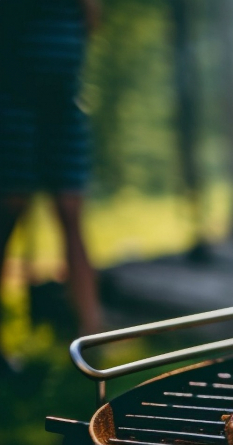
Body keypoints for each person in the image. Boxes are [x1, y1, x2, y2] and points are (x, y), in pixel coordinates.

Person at [0, 0, 102, 376]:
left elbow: (91, 22)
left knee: (72, 211)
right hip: (10, 98)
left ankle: (92, 337)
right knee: (8, 208)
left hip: (64, 101)